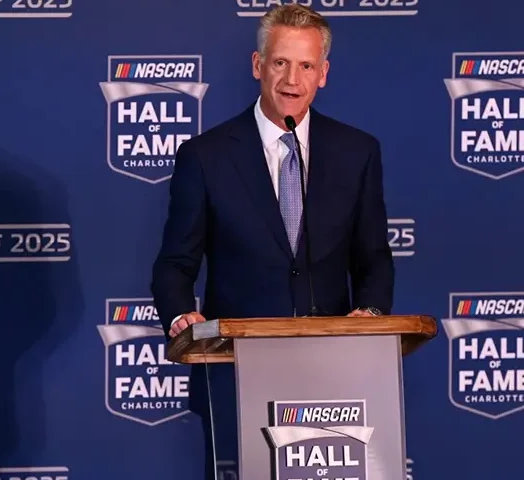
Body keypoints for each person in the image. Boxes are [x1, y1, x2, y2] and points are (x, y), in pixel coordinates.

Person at [150, 4, 394, 478]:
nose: (292, 79)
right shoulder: (205, 156)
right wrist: (182, 316)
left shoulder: (358, 152)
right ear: (258, 65)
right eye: (280, 62)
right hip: (236, 375)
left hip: (336, 375)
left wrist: (371, 313)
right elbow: (174, 264)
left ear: (323, 74)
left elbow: (374, 257)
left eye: (306, 66)